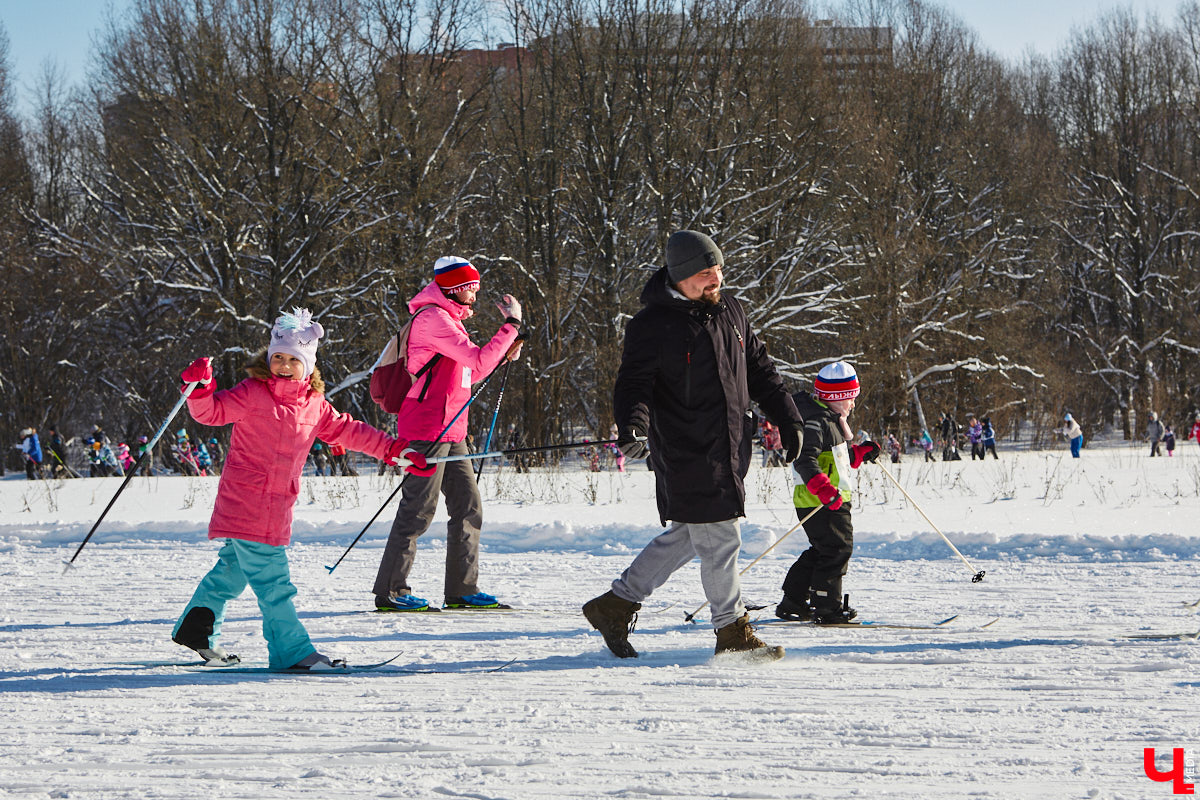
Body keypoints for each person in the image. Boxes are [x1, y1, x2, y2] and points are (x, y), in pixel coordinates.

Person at [582, 229, 803, 660]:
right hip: (684, 450)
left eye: (718, 268)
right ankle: (732, 631)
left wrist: (788, 417)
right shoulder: (652, 325)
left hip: (730, 445)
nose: (715, 278)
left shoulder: (732, 312)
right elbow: (634, 385)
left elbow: (761, 370)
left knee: (689, 536)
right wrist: (633, 426)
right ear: (680, 276)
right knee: (721, 539)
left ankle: (615, 604)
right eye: (705, 272)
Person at [171, 308, 427, 670]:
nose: (284, 365)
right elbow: (209, 413)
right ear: (269, 357)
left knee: (232, 571)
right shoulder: (252, 393)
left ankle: (196, 629)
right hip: (246, 501)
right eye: (279, 357)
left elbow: (350, 430)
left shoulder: (313, 404)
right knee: (274, 583)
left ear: (308, 365)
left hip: (277, 504)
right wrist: (200, 388)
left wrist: (393, 449)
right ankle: (292, 652)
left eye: (294, 359)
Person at [372, 256, 524, 613]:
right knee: (418, 510)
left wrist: (504, 353)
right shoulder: (433, 319)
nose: (475, 293)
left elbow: (468, 368)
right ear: (455, 288)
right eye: (471, 287)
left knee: (469, 507)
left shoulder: (449, 320)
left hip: (453, 429)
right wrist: (511, 325)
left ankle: (461, 589)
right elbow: (477, 361)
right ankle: (391, 590)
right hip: (427, 429)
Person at [775, 362, 881, 624]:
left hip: (826, 498)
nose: (853, 405)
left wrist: (858, 454)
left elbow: (834, 458)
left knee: (824, 549)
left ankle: (794, 600)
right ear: (836, 398)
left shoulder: (829, 419)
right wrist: (824, 490)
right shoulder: (815, 421)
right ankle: (826, 606)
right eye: (851, 399)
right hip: (821, 500)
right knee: (837, 549)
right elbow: (804, 459)